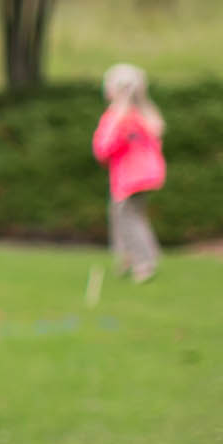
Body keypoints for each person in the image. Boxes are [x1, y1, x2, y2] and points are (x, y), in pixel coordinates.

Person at [93, 64, 166, 282]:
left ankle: (144, 262)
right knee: (126, 216)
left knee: (128, 219)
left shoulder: (120, 118)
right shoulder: (142, 115)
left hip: (130, 178)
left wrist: (105, 151)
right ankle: (128, 257)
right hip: (143, 176)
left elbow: (104, 147)